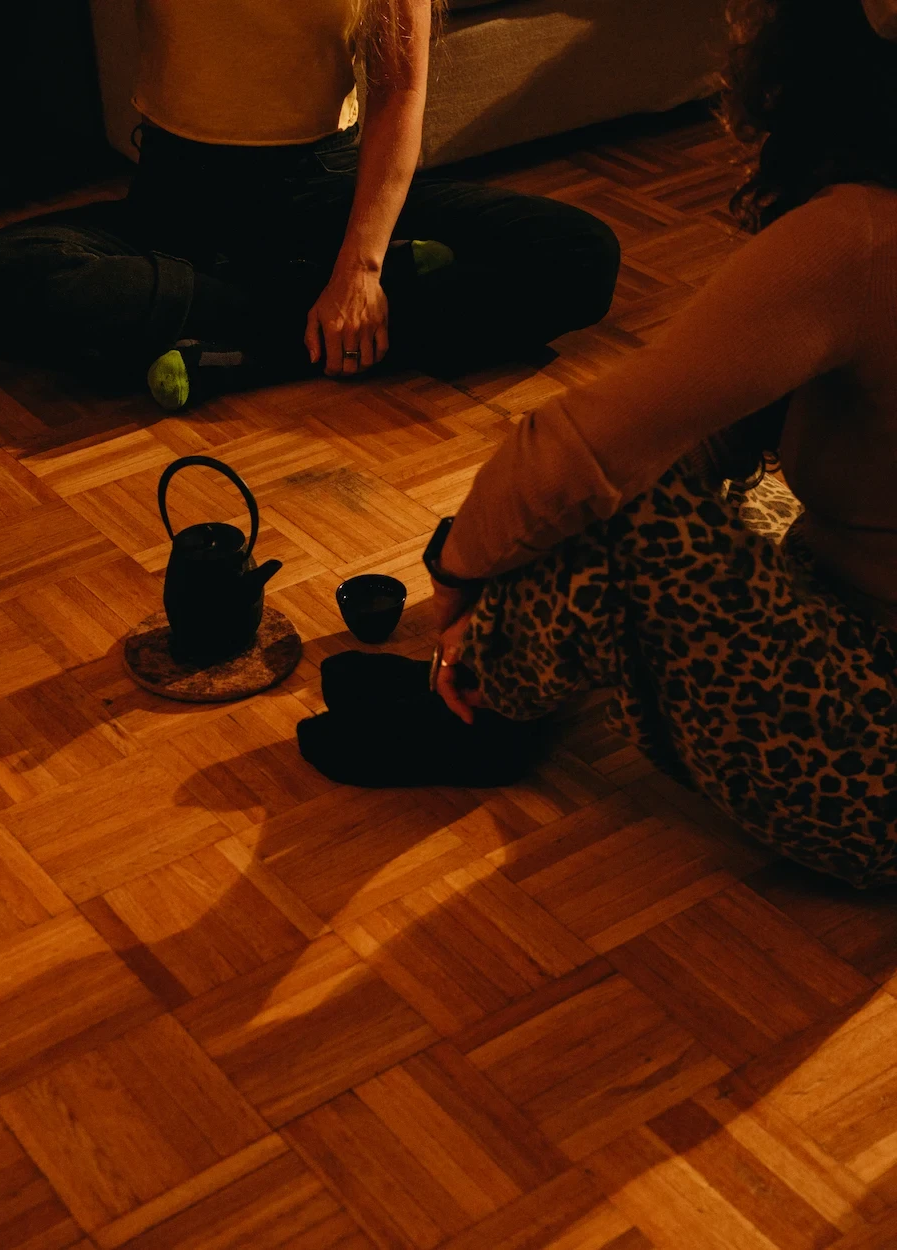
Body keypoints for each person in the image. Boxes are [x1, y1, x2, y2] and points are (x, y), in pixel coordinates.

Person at [298, 0, 897, 889]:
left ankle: (476, 707)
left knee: (617, 507)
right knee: (596, 495)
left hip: (875, 780)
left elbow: (587, 447)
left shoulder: (859, 236)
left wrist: (461, 575)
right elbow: (716, 429)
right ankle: (488, 676)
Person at [0, 0, 620, 407]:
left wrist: (358, 271)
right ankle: (306, 324)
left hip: (322, 195)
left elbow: (399, 97)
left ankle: (250, 346)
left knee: (578, 256)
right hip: (177, 204)